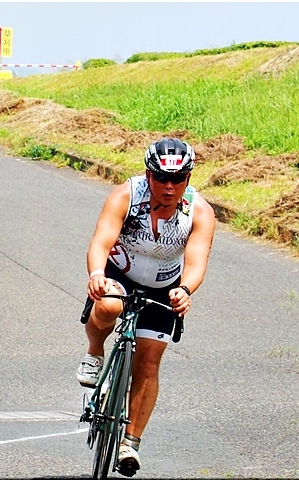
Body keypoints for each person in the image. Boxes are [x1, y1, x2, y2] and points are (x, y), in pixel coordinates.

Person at [77, 137, 215, 477]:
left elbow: (197, 261)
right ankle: (94, 352)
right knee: (109, 306)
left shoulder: (199, 211)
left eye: (178, 179)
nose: (169, 187)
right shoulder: (126, 195)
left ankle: (130, 443)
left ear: (188, 178)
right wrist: (96, 274)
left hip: (164, 286)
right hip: (120, 274)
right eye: (161, 178)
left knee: (149, 361)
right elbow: (101, 241)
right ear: (148, 174)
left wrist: (185, 290)